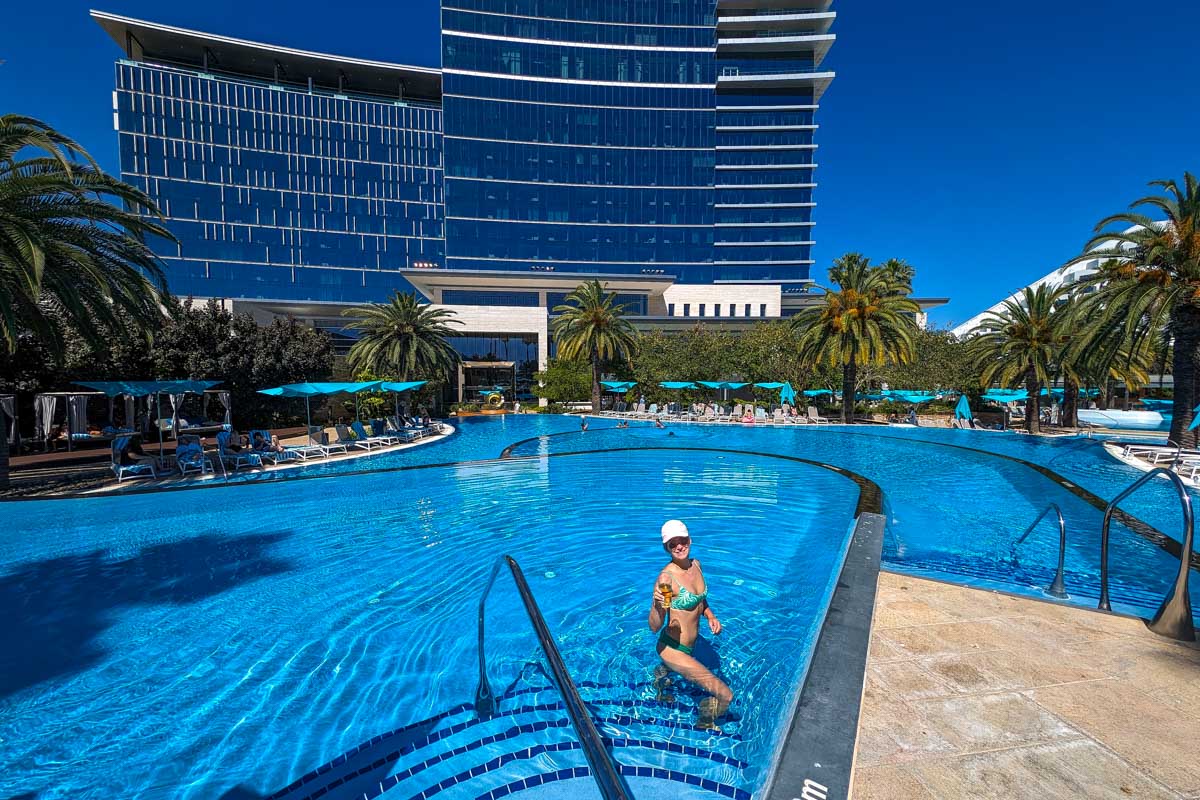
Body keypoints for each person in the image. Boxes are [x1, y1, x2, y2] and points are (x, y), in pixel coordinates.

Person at [649, 520, 732, 730]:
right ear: (666, 548)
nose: (679, 546)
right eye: (672, 544)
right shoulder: (666, 579)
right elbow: (654, 627)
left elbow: (700, 601)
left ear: (690, 540)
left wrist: (710, 616)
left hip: (690, 645)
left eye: (683, 540)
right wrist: (657, 605)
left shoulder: (696, 565)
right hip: (673, 648)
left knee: (672, 674)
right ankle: (705, 720)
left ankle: (661, 677)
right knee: (725, 695)